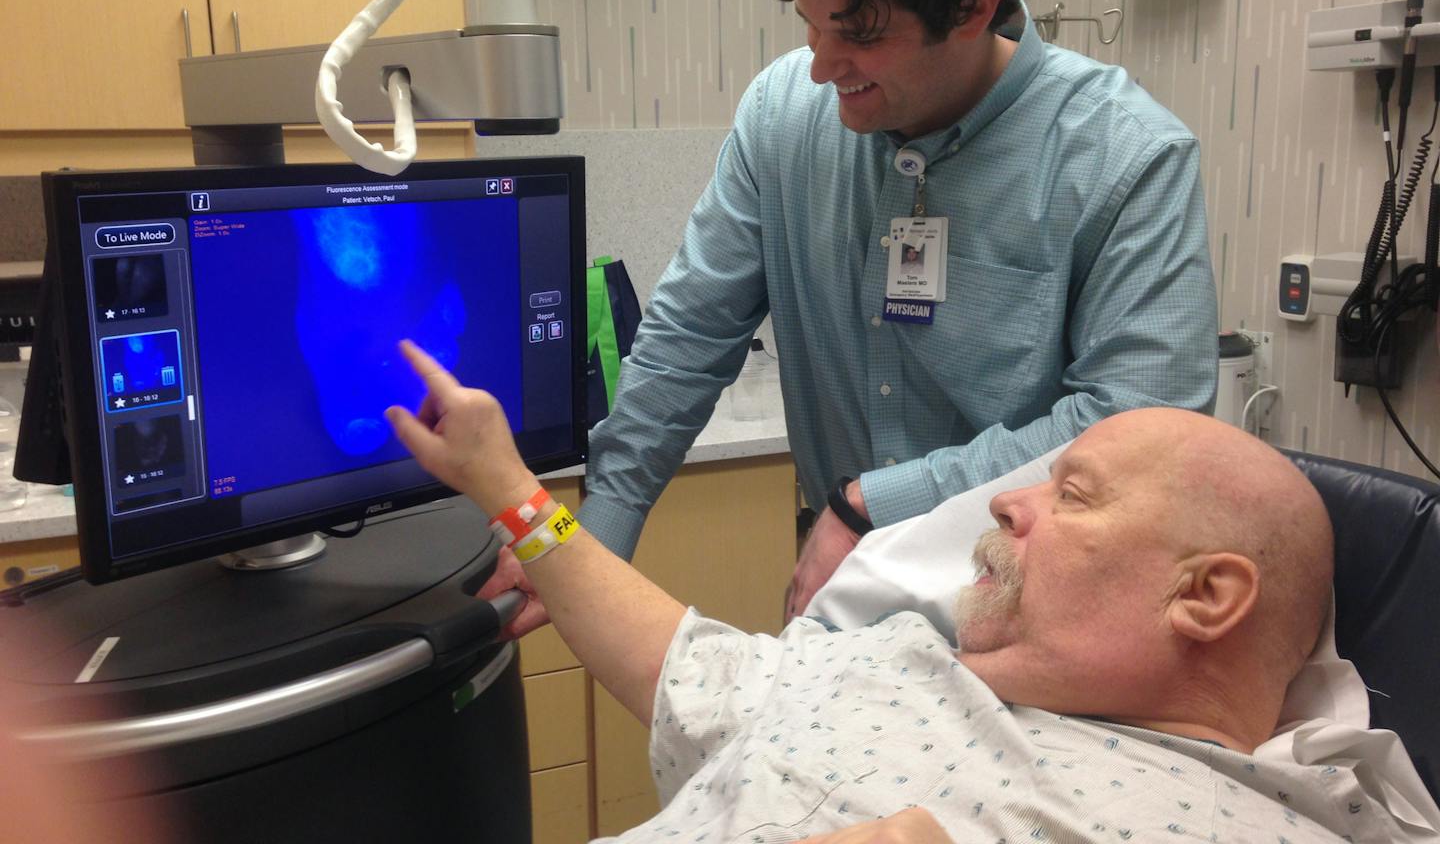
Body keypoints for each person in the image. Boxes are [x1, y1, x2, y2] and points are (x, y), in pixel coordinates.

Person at [478, 0, 1218, 637]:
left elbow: (1137, 432)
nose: (823, 66)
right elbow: (688, 335)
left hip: (1031, 606)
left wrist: (873, 503)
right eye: (812, 26)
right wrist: (592, 536)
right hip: (838, 585)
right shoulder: (783, 119)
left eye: (860, 34)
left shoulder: (1126, 156)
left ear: (973, 7)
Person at [387, 340, 1438, 844]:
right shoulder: (906, 660)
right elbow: (683, 661)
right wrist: (509, 487)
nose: (1004, 510)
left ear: (1206, 597)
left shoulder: (1238, 825)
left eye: (1070, 494)